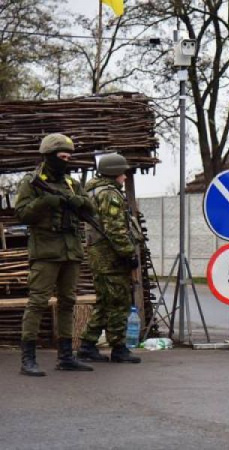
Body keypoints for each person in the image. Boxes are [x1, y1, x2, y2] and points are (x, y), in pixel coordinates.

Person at [15, 133, 95, 376]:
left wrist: (75, 200)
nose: (66, 160)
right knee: (38, 302)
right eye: (62, 156)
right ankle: (27, 359)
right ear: (49, 156)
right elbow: (21, 213)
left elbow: (91, 208)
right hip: (46, 252)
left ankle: (66, 356)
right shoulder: (32, 181)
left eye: (69, 156)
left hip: (71, 252)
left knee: (68, 303)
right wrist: (46, 202)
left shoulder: (72, 183)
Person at [77, 153, 142, 364]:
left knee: (105, 302)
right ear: (114, 173)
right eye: (122, 172)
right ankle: (119, 348)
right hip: (111, 257)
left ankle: (87, 345)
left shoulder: (94, 190)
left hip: (100, 255)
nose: (125, 177)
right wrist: (128, 253)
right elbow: (115, 229)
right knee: (119, 302)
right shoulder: (109, 195)